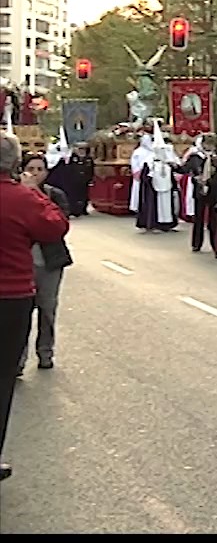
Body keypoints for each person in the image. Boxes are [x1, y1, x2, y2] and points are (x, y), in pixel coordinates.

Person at [0, 131, 70, 482]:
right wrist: (34, 193)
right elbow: (55, 226)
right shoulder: (22, 198)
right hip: (11, 297)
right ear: (15, 163)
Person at [15, 153, 73, 375]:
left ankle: (45, 352)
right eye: (31, 169)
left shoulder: (54, 195)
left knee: (47, 309)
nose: (35, 174)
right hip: (23, 262)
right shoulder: (16, 194)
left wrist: (36, 194)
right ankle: (19, 359)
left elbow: (60, 223)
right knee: (22, 313)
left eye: (40, 169)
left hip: (50, 261)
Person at [136, 122, 180, 233]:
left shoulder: (169, 161)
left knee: (168, 204)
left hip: (167, 188)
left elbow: (176, 170)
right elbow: (145, 177)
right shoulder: (149, 161)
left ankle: (168, 224)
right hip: (154, 189)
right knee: (155, 205)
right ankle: (153, 223)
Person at [182, 134, 217, 252]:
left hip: (213, 190)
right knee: (199, 218)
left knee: (213, 219)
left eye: (211, 144)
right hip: (199, 190)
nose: (209, 146)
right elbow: (186, 169)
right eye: (207, 143)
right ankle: (197, 243)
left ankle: (215, 244)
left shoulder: (216, 158)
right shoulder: (195, 157)